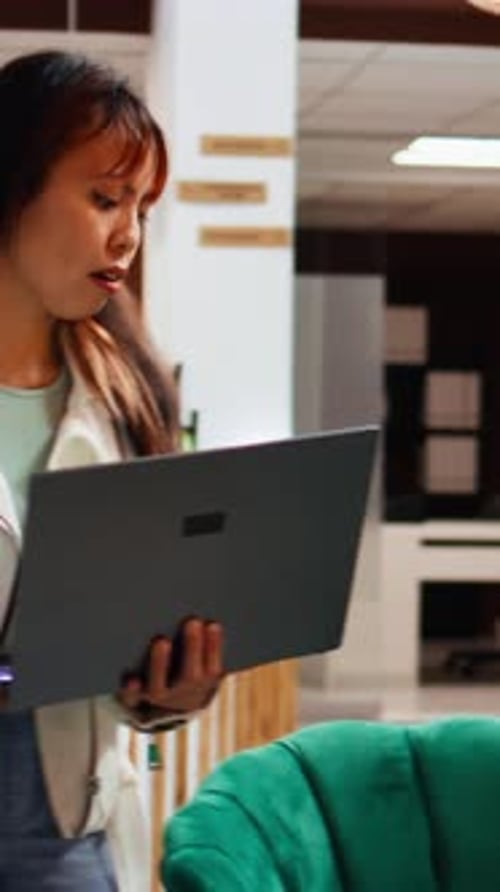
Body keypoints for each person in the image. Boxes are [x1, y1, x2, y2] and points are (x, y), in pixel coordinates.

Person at [0, 50, 223, 891]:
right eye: (103, 199)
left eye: (141, 208)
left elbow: (139, 622)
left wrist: (172, 688)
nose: (127, 234)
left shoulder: (127, 396)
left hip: (61, 823)